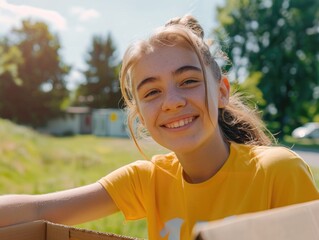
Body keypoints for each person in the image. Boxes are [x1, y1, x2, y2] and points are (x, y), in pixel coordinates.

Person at [0, 15, 318, 240]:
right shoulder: (147, 180)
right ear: (140, 115)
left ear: (221, 91)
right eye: (152, 91)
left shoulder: (278, 172)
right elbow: (39, 208)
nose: (172, 102)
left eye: (188, 81)